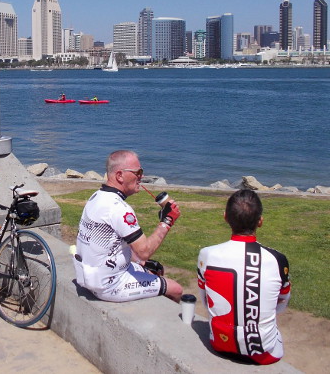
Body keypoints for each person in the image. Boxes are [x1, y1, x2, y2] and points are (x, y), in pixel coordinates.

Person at [73, 150, 183, 303]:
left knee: (154, 269)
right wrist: (167, 221)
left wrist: (139, 262)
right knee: (176, 289)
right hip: (109, 284)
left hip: (90, 274)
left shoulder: (96, 197)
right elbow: (144, 251)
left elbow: (110, 245)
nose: (141, 176)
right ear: (119, 175)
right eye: (138, 172)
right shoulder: (118, 208)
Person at [197, 189, 291, 365]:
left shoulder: (206, 255)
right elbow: (282, 302)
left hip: (219, 344)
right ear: (260, 221)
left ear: (225, 217)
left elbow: (205, 300)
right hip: (264, 354)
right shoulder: (277, 260)